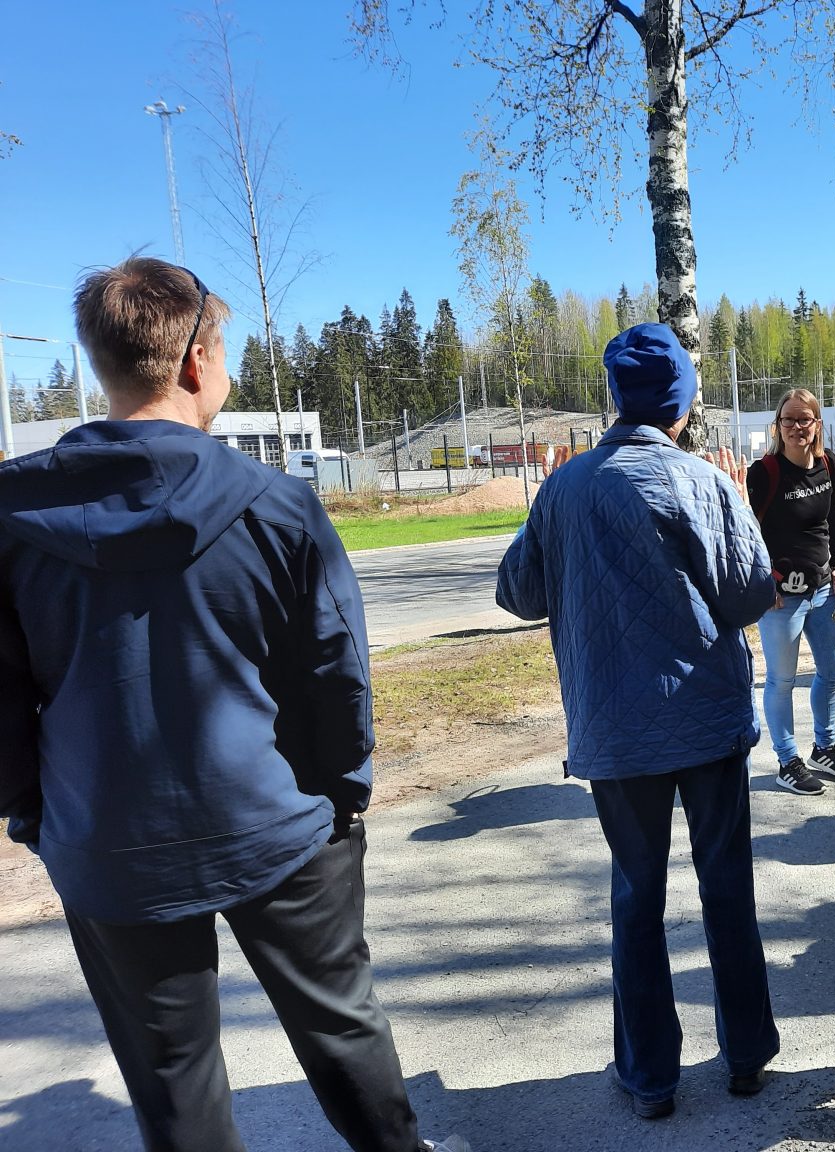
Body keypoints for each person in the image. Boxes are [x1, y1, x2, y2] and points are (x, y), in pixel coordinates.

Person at [0, 258, 463, 1152]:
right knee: (342, 1030)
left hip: (105, 836)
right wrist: (342, 797)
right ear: (194, 363)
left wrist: (34, 814)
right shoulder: (279, 507)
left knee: (175, 1087)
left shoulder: (18, 518)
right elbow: (337, 676)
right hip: (274, 819)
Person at [497, 323, 780, 1120]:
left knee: (636, 897)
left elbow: (518, 594)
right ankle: (748, 1056)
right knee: (727, 886)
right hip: (707, 719)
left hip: (616, 729)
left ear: (614, 397)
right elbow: (749, 596)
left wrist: (544, 507)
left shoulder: (565, 488)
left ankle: (650, 1078)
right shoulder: (702, 481)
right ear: (682, 403)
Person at [746, 388, 835, 796]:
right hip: (781, 598)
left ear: (817, 424)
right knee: (782, 679)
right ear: (778, 426)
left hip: (823, 590)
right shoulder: (765, 472)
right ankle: (787, 760)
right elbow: (749, 532)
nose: (795, 427)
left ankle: (823, 747)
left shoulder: (828, 465)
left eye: (803, 419)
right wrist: (763, 580)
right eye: (788, 420)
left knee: (834, 669)